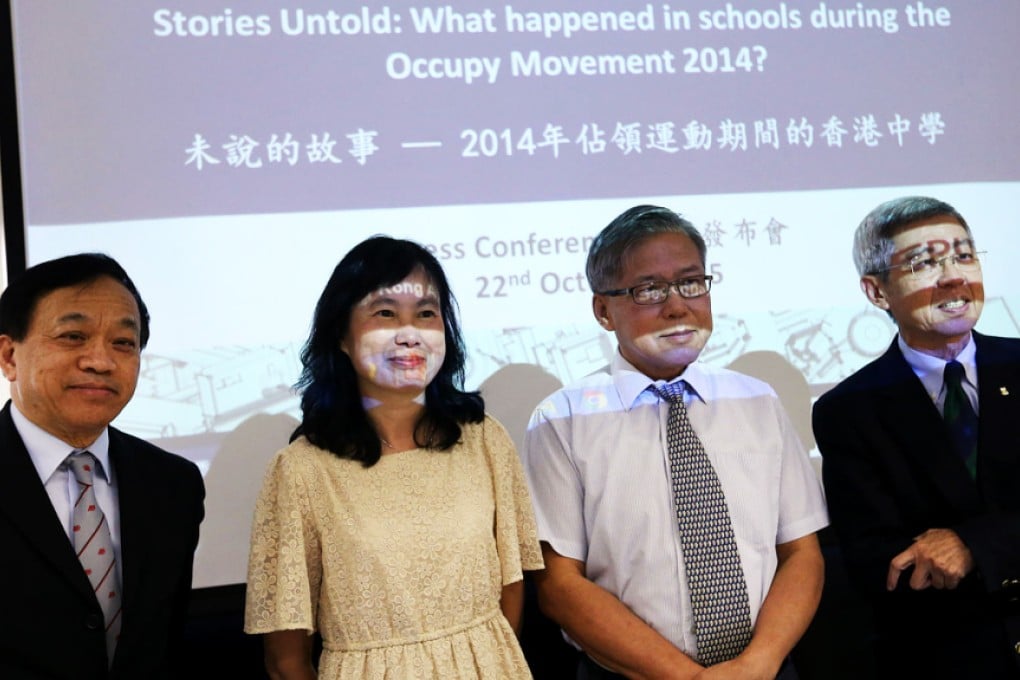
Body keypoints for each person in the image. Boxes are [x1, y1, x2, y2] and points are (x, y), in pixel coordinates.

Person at [522, 205, 828, 679]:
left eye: (691, 282)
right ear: (603, 309)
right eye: (649, 289)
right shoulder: (561, 419)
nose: (677, 305)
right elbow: (560, 585)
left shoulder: (757, 401)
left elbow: (801, 552)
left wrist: (759, 664)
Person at [244, 236, 543, 679]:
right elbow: (286, 656)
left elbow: (511, 587)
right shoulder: (302, 469)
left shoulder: (484, 440)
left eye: (426, 314)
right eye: (385, 314)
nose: (409, 333)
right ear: (341, 336)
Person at [812, 196, 1020, 678]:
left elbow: (955, 550)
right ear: (877, 292)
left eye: (964, 256)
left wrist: (973, 545)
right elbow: (881, 565)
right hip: (953, 657)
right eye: (925, 263)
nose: (953, 277)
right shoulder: (848, 410)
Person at [0, 253, 205, 679]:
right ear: (9, 355)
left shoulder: (174, 485)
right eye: (73, 336)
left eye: (123, 343)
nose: (100, 361)